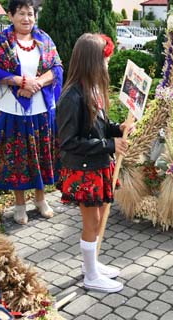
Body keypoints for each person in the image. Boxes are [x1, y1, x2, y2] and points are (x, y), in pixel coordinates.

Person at [57, 33, 133, 293]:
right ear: (91, 61)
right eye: (105, 60)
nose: (107, 65)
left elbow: (99, 126)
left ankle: (92, 264)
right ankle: (90, 275)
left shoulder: (92, 89)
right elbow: (69, 142)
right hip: (83, 169)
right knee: (92, 222)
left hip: (96, 164)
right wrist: (110, 145)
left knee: (99, 218)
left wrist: (118, 128)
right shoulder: (72, 96)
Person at [0, 0, 63, 225]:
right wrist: (20, 81)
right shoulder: (1, 41)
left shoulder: (44, 39)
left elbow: (57, 68)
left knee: (41, 155)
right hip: (13, 112)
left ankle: (40, 199)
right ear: (11, 15)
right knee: (17, 159)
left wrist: (35, 83)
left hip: (41, 110)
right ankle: (20, 205)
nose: (26, 18)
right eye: (21, 13)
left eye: (30, 13)